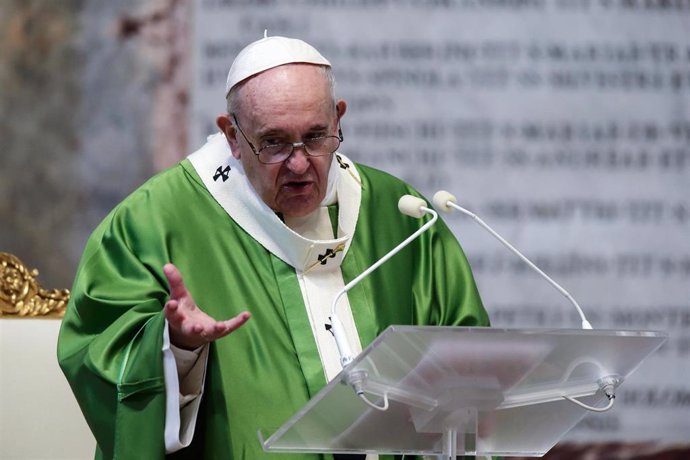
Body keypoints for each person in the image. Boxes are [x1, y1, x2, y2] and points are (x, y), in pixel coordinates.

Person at [57, 34, 489, 460]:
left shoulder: (399, 213)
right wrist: (174, 347)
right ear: (231, 135)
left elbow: (469, 360)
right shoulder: (153, 221)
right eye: (274, 142)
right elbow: (99, 359)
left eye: (316, 136)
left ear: (338, 119)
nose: (299, 164)